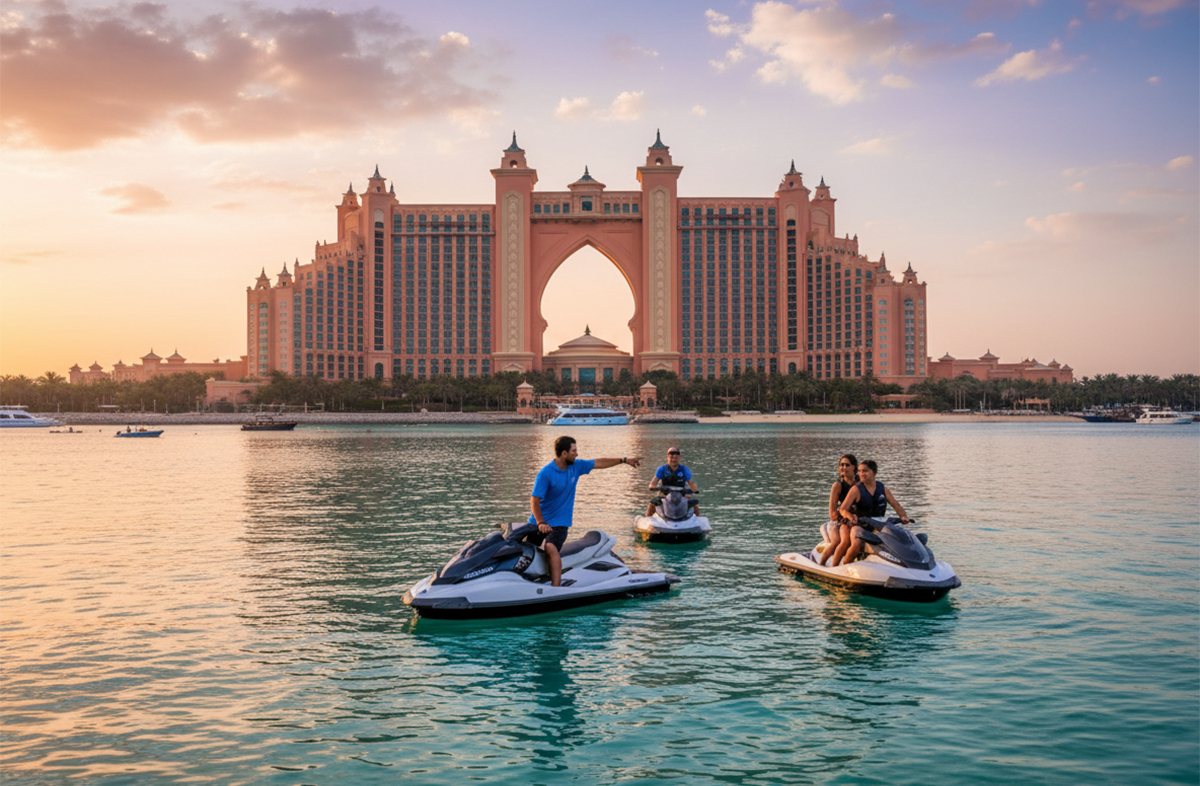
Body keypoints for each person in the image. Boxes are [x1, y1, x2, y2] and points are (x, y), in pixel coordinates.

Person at [529, 435, 641, 587]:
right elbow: (534, 500)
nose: (577, 453)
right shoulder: (546, 473)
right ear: (564, 453)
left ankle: (555, 587)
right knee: (522, 549)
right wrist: (540, 522)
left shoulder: (576, 466)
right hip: (539, 522)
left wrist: (624, 460)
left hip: (560, 524)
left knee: (550, 546)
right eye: (574, 450)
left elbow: (599, 462)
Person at [837, 460, 910, 565]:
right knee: (857, 543)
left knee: (896, 541)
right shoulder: (856, 489)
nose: (861, 474)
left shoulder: (883, 489)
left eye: (865, 471)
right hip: (859, 525)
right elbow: (843, 509)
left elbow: (896, 505)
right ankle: (845, 566)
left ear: (874, 472)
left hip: (878, 525)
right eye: (859, 471)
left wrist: (903, 516)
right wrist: (850, 516)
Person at [818, 453, 858, 567]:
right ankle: (821, 565)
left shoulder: (859, 484)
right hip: (838, 522)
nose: (843, 468)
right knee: (837, 542)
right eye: (841, 465)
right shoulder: (838, 485)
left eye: (847, 465)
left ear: (853, 467)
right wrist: (847, 520)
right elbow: (832, 513)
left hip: (854, 521)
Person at [645, 446, 699, 517]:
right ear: (667, 457)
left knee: (695, 506)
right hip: (664, 496)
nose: (673, 460)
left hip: (681, 496)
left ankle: (698, 521)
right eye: (671, 458)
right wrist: (659, 488)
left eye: (676, 458)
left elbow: (692, 485)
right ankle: (647, 520)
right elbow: (651, 485)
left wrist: (693, 490)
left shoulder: (684, 469)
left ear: (679, 457)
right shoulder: (661, 469)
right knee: (652, 504)